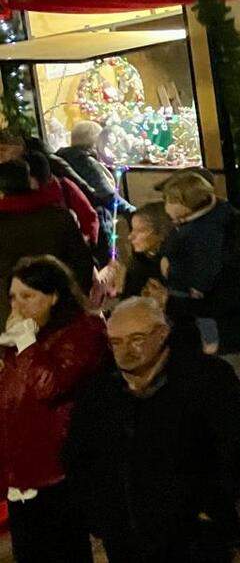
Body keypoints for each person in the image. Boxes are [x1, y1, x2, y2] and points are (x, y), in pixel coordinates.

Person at [65, 297, 240, 562]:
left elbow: (234, 445)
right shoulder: (98, 395)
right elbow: (79, 459)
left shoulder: (206, 380)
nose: (125, 351)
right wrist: (101, 520)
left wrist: (211, 506)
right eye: (116, 342)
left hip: (194, 540)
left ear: (163, 332)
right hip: (126, 542)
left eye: (137, 339)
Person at [0, 255, 109, 563]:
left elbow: (50, 386)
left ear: (54, 296)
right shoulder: (30, 336)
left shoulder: (82, 332)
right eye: (13, 297)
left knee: (62, 550)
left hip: (58, 471)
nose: (17, 306)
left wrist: (23, 341)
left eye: (27, 296)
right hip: (22, 473)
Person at [0, 158, 94, 320]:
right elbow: (83, 263)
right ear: (29, 182)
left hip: (8, 314)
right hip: (55, 309)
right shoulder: (59, 216)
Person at [160, 172, 229, 356]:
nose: (166, 206)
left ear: (187, 203)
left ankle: (209, 343)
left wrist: (199, 286)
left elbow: (207, 261)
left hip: (190, 287)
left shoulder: (203, 230)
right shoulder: (187, 223)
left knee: (202, 317)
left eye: (171, 201)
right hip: (179, 282)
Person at [54, 120, 125, 229]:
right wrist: (133, 211)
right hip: (98, 220)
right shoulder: (86, 162)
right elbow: (107, 195)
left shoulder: (62, 158)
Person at [120, 201, 171, 299]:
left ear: (161, 233)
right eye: (132, 230)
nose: (130, 237)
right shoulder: (138, 263)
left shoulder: (175, 265)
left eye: (140, 231)